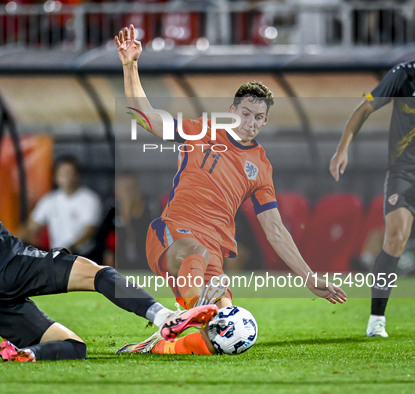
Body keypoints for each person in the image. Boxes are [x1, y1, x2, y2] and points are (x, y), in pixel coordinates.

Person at [0, 70, 219, 362]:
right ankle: (165, 317)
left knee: (73, 348)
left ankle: (27, 353)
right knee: (101, 274)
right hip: (8, 263)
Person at [115, 25, 346, 355]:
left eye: (259, 117)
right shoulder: (201, 130)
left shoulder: (261, 167)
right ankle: (192, 312)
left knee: (227, 335)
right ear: (233, 110)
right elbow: (147, 118)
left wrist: (309, 277)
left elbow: (275, 229)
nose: (250, 122)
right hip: (172, 235)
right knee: (194, 252)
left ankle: (158, 345)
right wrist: (130, 65)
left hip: (213, 255)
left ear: (265, 122)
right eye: (246, 113)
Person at [330, 60, 415, 338]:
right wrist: (343, 149)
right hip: (404, 173)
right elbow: (365, 108)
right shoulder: (404, 74)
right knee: (395, 237)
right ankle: (377, 318)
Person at [23, 156, 102, 257]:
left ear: (77, 175)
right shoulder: (49, 200)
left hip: (84, 256)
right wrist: (12, 242)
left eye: (70, 173)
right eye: (63, 174)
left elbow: (89, 230)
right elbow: (31, 227)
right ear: (55, 177)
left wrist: (70, 248)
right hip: (57, 257)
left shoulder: (90, 199)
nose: (67, 177)